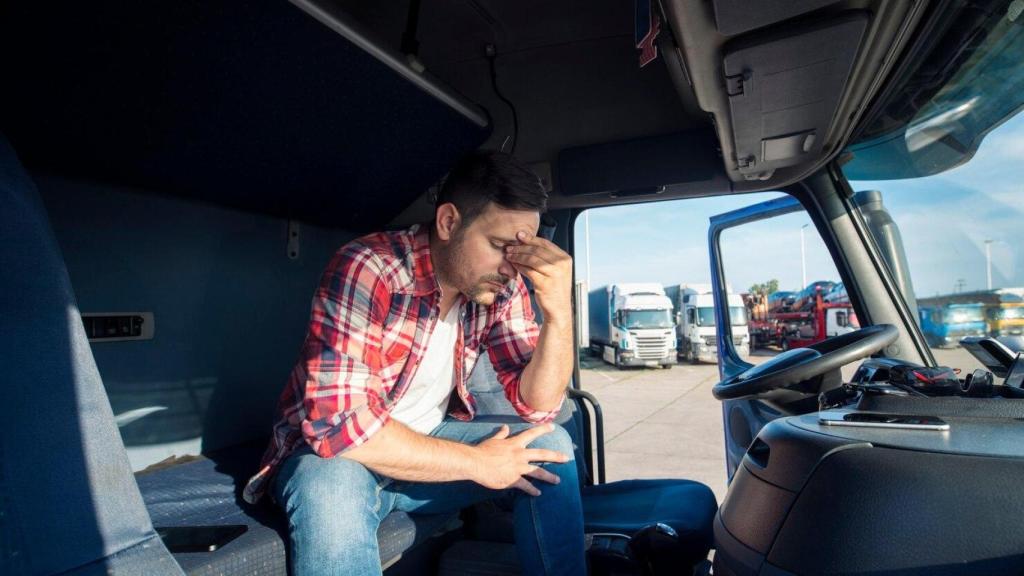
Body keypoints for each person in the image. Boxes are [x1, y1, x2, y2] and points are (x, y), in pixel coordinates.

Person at [243, 151, 587, 576]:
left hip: (428, 442)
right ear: (448, 222)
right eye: (500, 246)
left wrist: (559, 312)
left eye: (521, 251)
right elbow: (340, 429)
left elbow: (538, 406)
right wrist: (479, 463)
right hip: (340, 457)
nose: (510, 268)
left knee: (552, 448)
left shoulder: (500, 284)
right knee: (329, 486)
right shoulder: (371, 267)